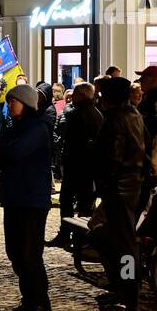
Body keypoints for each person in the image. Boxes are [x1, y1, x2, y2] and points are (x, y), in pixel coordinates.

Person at [0, 84, 53, 311]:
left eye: (13, 101)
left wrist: (4, 153)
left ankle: (40, 304)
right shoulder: (15, 127)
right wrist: (2, 153)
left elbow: (13, 154)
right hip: (15, 198)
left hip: (31, 199)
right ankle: (28, 300)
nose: (9, 105)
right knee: (15, 252)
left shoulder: (37, 127)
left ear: (26, 103)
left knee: (29, 254)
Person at [90, 77, 146, 311]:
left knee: (125, 244)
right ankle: (123, 289)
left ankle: (128, 294)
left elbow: (113, 156)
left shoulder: (117, 119)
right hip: (130, 185)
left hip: (120, 187)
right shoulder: (133, 114)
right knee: (116, 240)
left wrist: (104, 178)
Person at [48, 81, 103, 248]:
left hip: (78, 163)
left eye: (76, 95)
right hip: (83, 164)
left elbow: (73, 138)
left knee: (73, 200)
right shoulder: (93, 113)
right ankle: (78, 236)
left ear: (82, 96)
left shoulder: (79, 113)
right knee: (82, 201)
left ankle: (75, 235)